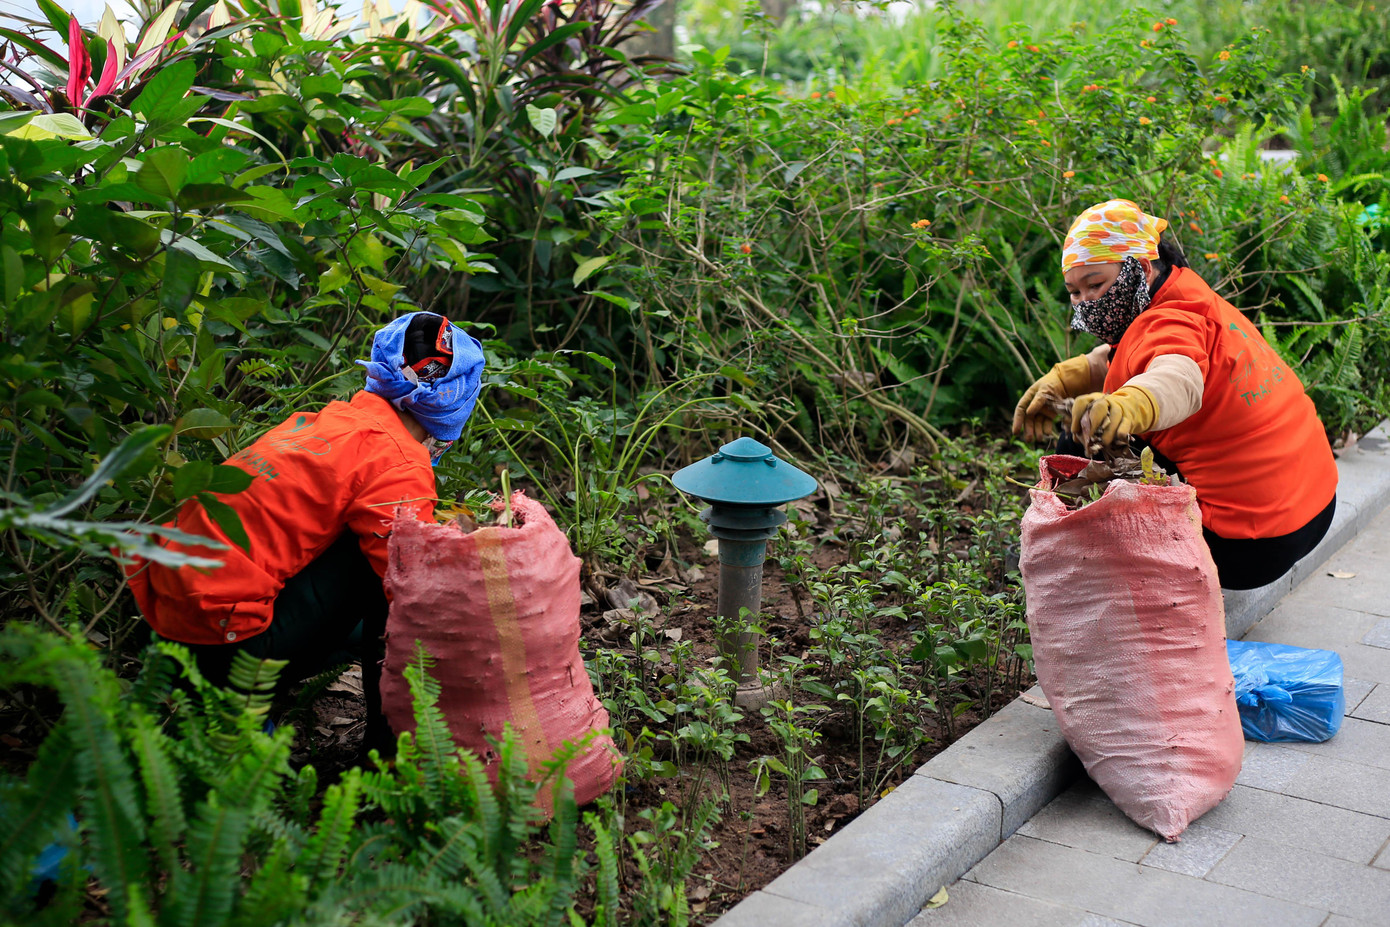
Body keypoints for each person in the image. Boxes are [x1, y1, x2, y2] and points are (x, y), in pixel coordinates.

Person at [125, 311, 485, 755]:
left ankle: (221, 695)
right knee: (400, 572)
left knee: (377, 547)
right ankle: (390, 759)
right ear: (454, 401)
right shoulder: (397, 460)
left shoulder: (316, 422)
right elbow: (411, 589)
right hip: (222, 641)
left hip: (163, 619)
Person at [1012, 199, 1338, 590]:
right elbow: (1136, 354)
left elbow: (1176, 375)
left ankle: (1069, 563)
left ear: (1141, 269)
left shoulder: (1169, 323)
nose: (1086, 302)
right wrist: (1068, 377)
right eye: (1075, 291)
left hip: (1248, 549)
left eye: (1096, 285)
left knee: (1084, 439)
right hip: (1315, 508)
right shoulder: (1187, 295)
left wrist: (1130, 405)